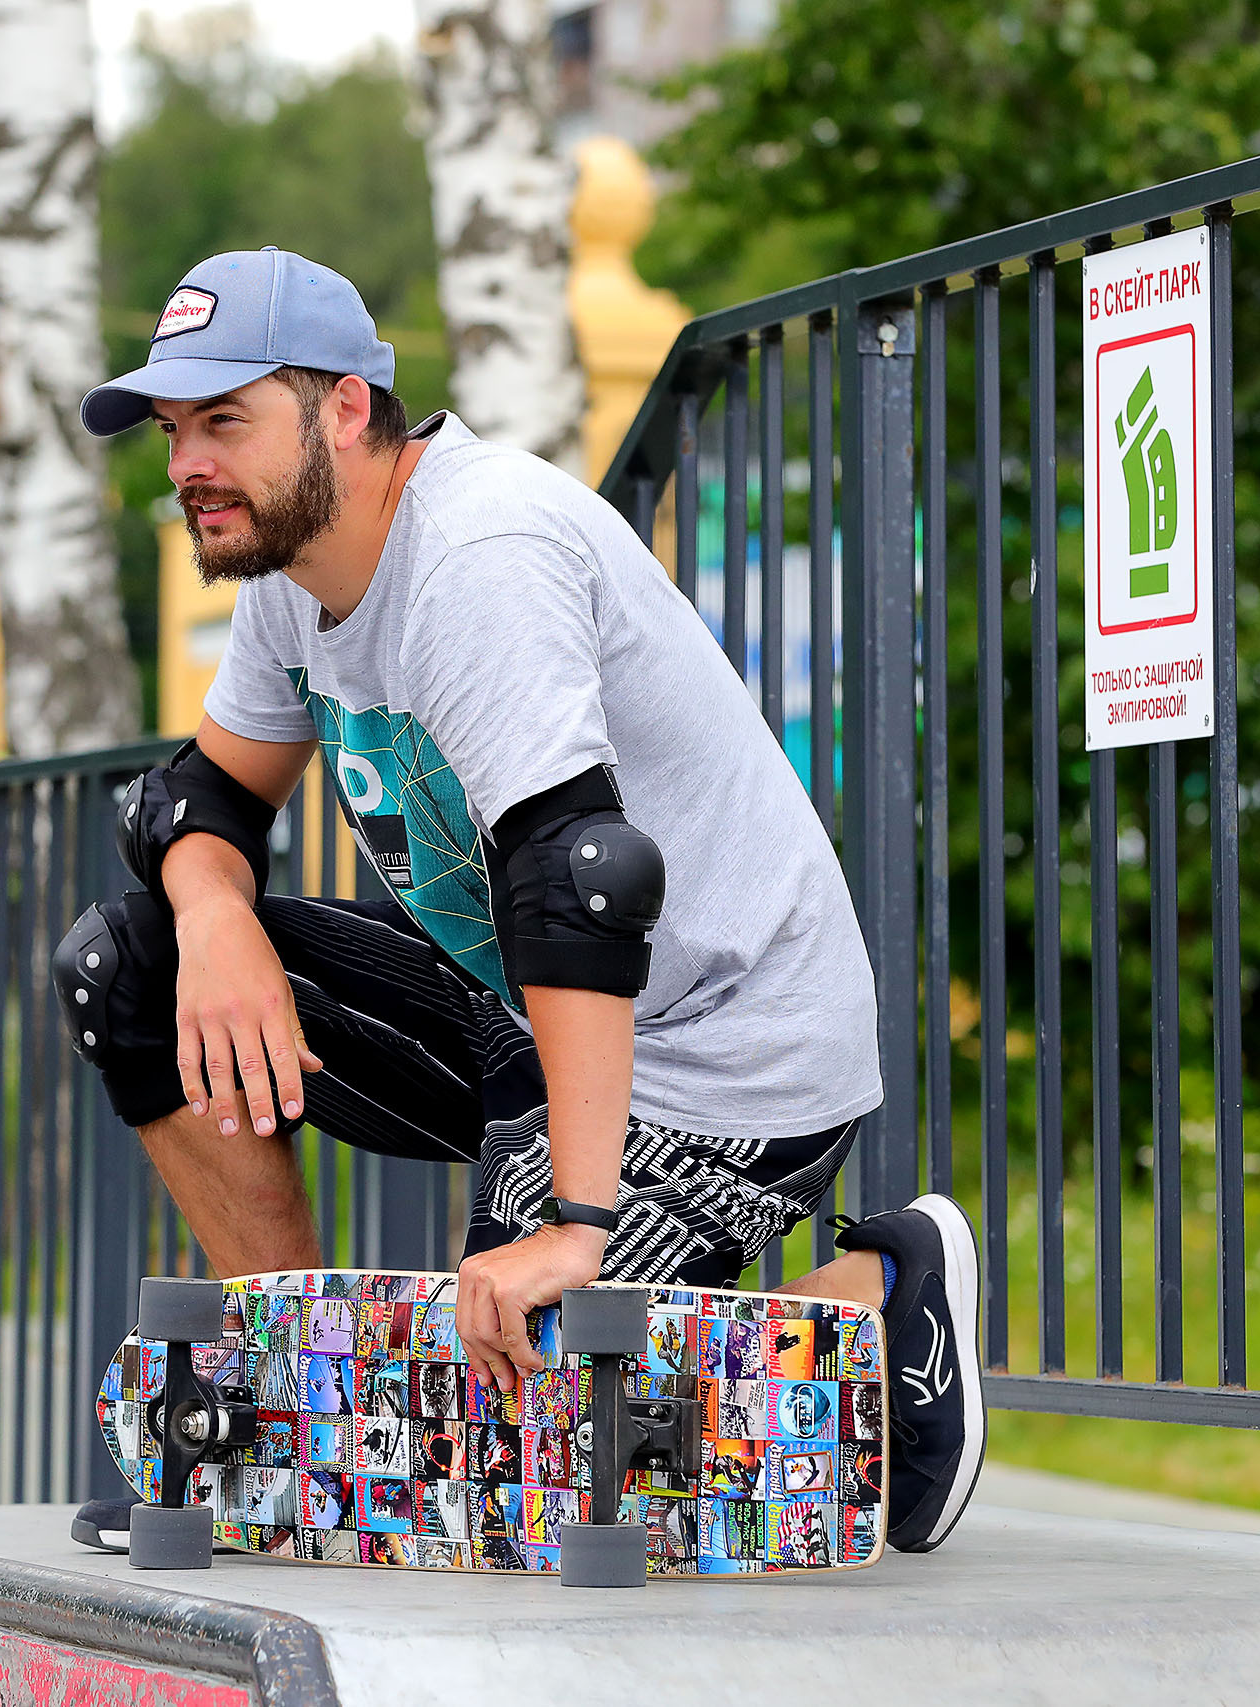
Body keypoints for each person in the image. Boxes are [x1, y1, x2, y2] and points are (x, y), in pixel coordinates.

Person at [56, 247, 984, 1559]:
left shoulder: (478, 554)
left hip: (729, 1053)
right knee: (126, 961)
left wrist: (575, 1228)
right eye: (173, 430)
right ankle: (297, 1393)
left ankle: (880, 1294)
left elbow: (583, 883)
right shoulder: (291, 573)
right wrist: (214, 922)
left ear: (344, 411)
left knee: (497, 1454)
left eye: (226, 421)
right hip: (530, 1016)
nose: (189, 463)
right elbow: (191, 805)